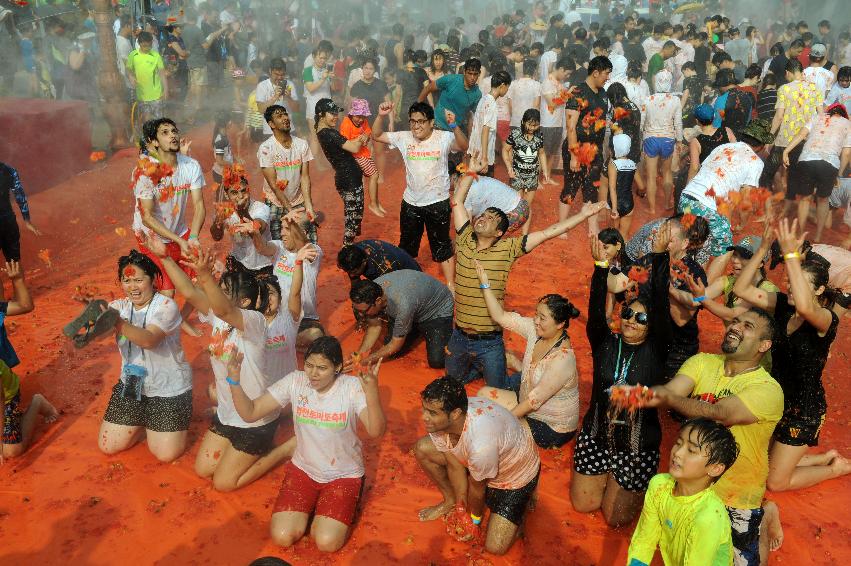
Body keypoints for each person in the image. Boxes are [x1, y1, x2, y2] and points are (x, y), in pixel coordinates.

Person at [153, 241, 311, 491]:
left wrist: (205, 275)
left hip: (255, 419)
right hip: (228, 414)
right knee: (202, 469)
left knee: (224, 483)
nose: (218, 293)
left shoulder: (255, 323)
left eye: (226, 290)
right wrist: (166, 259)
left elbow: (226, 310)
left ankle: (283, 450)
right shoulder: (219, 317)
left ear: (245, 301)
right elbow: (191, 293)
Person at [646, 307, 784, 566]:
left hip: (737, 496)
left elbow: (720, 413)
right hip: (693, 488)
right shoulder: (702, 362)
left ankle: (764, 513)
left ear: (763, 345)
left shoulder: (768, 389)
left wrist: (666, 397)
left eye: (747, 327)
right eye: (735, 321)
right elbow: (672, 391)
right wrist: (647, 395)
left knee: (741, 561)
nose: (735, 327)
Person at [447, 170, 606, 388]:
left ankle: (520, 371)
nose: (484, 217)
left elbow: (549, 232)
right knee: (453, 382)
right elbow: (457, 200)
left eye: (492, 218)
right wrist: (471, 171)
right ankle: (480, 367)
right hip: (459, 335)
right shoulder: (464, 237)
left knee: (500, 388)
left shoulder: (509, 248)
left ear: (499, 233)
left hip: (489, 341)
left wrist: (583, 215)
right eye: (484, 214)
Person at [227, 336, 384, 552]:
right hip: (304, 470)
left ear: (337, 367)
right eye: (309, 365)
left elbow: (376, 431)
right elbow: (250, 413)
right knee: (282, 536)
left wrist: (372, 393)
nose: (313, 374)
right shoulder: (296, 381)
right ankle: (315, 510)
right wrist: (234, 381)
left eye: (322, 368)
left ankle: (331, 511)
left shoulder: (351, 387)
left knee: (326, 543)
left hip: (343, 475)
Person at [732, 220, 851, 492]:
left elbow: (808, 309)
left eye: (798, 284)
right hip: (775, 402)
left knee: (775, 482)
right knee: (757, 464)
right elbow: (741, 290)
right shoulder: (783, 306)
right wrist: (762, 249)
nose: (789, 288)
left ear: (820, 291)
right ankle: (823, 457)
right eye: (790, 282)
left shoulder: (825, 319)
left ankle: (835, 467)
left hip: (804, 411)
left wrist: (792, 257)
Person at [570, 225, 673, 527]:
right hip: (596, 437)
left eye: (641, 318)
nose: (631, 320)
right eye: (628, 313)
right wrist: (601, 268)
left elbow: (663, 308)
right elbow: (595, 304)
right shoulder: (604, 342)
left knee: (615, 520)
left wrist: (660, 256)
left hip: (637, 447)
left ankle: (623, 485)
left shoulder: (657, 350)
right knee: (583, 505)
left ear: (651, 326)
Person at [413, 376, 540, 556]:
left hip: (515, 478)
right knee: (422, 448)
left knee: (495, 547)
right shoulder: (443, 422)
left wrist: (474, 520)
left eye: (432, 413)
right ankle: (449, 500)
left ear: (455, 413)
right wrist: (459, 505)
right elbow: (454, 463)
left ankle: (522, 507)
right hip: (482, 460)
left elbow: (477, 489)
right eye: (425, 409)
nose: (424, 417)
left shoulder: (481, 444)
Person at [98, 250, 192, 463]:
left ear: (153, 280)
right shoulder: (119, 307)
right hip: (133, 382)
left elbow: (149, 340)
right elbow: (100, 335)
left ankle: (165, 420)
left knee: (165, 455)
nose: (133, 287)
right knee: (108, 446)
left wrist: (116, 322)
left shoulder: (166, 306)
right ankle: (143, 421)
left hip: (168, 387)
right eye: (127, 280)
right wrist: (94, 317)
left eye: (139, 280)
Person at [474, 262, 580, 448]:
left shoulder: (563, 359)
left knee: (496, 432)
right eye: (536, 314)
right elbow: (500, 317)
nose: (536, 321)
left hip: (552, 427)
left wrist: (504, 421)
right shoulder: (535, 330)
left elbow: (533, 401)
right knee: (483, 394)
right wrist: (485, 284)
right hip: (528, 404)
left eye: (542, 318)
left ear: (560, 324)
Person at [372, 101, 468, 287]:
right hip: (411, 203)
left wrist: (454, 125)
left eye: (421, 121)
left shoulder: (444, 137)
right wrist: (381, 116)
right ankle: (405, 282)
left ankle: (450, 285)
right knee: (407, 246)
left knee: (442, 247)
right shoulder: (404, 137)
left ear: (431, 122)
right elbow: (376, 135)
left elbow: (464, 145)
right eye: (413, 121)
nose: (416, 126)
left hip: (438, 202)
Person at [627, 418, 738, 566]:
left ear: (715, 468)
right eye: (678, 443)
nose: (677, 453)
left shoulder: (708, 516)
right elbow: (644, 539)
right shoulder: (659, 485)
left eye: (691, 450)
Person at [679, 120, 774, 258]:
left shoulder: (722, 147)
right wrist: (741, 224)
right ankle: (699, 277)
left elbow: (700, 171)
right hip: (707, 209)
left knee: (688, 243)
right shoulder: (755, 161)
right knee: (726, 250)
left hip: (686, 200)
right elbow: (746, 198)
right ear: (761, 146)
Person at [133, 118, 206, 296]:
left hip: (179, 232)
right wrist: (180, 241)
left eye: (174, 131)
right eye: (165, 133)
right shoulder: (145, 171)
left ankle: (182, 323)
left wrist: (193, 237)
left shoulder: (191, 165)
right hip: (151, 237)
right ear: (154, 142)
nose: (172, 135)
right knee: (169, 292)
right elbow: (147, 217)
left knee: (204, 281)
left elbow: (199, 205)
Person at [347, 270, 453, 369]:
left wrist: (365, 361)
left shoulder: (402, 304)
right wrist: (358, 355)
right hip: (412, 304)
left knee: (437, 361)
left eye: (364, 311)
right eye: (358, 310)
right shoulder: (370, 291)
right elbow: (374, 326)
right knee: (391, 353)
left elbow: (394, 345)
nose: (361, 315)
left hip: (436, 311)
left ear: (378, 301)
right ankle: (411, 328)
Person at [250, 213, 325, 350]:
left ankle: (276, 341)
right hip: (277, 314)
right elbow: (261, 247)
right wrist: (254, 232)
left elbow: (304, 243)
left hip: (304, 318)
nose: (282, 233)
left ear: (302, 232)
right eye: (282, 228)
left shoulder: (313, 251)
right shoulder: (279, 247)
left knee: (316, 335)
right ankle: (283, 341)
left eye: (287, 229)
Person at [783, 103, 851, 242]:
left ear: (829, 111)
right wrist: (839, 173)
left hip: (807, 158)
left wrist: (786, 150)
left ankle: (801, 234)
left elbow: (802, 134)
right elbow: (846, 153)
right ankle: (818, 236)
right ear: (843, 114)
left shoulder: (817, 116)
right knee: (823, 200)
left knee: (804, 199)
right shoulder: (847, 123)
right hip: (829, 163)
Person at [560, 56, 612, 234]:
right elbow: (571, 126)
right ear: (595, 72)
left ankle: (592, 227)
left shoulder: (603, 93)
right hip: (578, 148)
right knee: (571, 187)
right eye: (606, 74)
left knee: (592, 188)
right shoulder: (578, 93)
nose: (608, 77)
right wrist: (574, 155)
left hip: (595, 150)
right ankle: (562, 227)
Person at [763, 59, 824, 194]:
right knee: (796, 177)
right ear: (802, 72)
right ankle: (793, 208)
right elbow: (821, 115)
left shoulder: (784, 89)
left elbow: (779, 117)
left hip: (784, 140)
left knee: (767, 173)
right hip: (806, 140)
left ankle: (767, 206)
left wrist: (770, 137)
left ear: (788, 73)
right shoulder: (815, 88)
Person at [258, 105, 315, 242]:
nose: (285, 118)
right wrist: (289, 210)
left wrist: (308, 206)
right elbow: (273, 184)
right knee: (279, 245)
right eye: (279, 116)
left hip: (298, 200)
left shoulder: (302, 144)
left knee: (309, 242)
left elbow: (305, 177)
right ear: (271, 124)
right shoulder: (266, 148)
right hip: (275, 203)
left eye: (285, 114)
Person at [314, 98, 366, 247]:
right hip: (348, 179)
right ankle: (346, 250)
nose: (336, 116)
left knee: (355, 217)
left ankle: (350, 246)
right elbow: (354, 148)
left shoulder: (324, 132)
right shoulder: (328, 133)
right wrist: (362, 138)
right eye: (332, 113)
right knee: (352, 219)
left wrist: (357, 140)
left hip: (349, 178)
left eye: (336, 113)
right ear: (321, 114)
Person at [209, 170, 272, 277]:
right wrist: (218, 220)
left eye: (244, 191)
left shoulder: (261, 208)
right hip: (238, 262)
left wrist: (241, 210)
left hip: (264, 265)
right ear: (226, 194)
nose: (241, 196)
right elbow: (216, 237)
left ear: (248, 188)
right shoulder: (226, 210)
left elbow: (259, 229)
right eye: (234, 193)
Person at [642, 70, 682, 214]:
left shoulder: (648, 99)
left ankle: (652, 209)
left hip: (650, 138)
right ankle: (666, 203)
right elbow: (678, 123)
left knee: (651, 176)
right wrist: (679, 140)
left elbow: (641, 122)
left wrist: (641, 137)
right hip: (668, 139)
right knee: (667, 173)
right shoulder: (675, 100)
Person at [503, 109, 548, 233]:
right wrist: (509, 167)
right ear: (523, 121)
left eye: (535, 125)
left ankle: (524, 235)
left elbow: (542, 153)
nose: (532, 128)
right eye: (529, 124)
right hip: (516, 175)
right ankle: (508, 229)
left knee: (527, 206)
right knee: (516, 204)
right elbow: (505, 150)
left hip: (532, 176)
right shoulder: (515, 134)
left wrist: (545, 171)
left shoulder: (539, 136)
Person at [339, 99, 384, 217]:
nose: (360, 119)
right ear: (352, 113)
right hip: (355, 156)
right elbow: (344, 144)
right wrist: (360, 138)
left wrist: (366, 136)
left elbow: (368, 131)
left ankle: (375, 203)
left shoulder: (363, 121)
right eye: (358, 116)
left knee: (374, 176)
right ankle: (373, 204)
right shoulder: (346, 123)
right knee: (374, 175)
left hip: (363, 153)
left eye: (363, 116)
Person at [418, 57, 482, 135]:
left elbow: (471, 115)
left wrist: (469, 137)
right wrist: (417, 108)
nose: (472, 77)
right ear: (464, 72)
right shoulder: (451, 79)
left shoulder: (477, 94)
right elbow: (428, 88)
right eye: (470, 73)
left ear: (479, 74)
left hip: (454, 132)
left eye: (475, 74)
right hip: (436, 126)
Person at [468, 71, 511, 177]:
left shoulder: (484, 99)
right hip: (482, 154)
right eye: (507, 87)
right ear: (502, 86)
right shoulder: (492, 105)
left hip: (475, 150)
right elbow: (485, 130)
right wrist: (484, 158)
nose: (507, 91)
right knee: (485, 187)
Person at [459, 174, 529, 235]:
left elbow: (467, 224)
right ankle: (524, 235)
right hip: (523, 205)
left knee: (484, 235)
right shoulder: (470, 178)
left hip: (514, 214)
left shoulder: (465, 191)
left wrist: (460, 240)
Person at [540, 56, 572, 184]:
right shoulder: (547, 82)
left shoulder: (560, 84)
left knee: (551, 153)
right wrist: (567, 93)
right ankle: (535, 180)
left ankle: (547, 178)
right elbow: (552, 103)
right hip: (547, 123)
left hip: (558, 122)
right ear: (561, 69)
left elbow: (562, 100)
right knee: (542, 153)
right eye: (567, 73)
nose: (568, 76)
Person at [0, 163, 40, 262]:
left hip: (7, 222)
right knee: (15, 265)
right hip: (9, 224)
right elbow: (19, 195)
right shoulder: (9, 171)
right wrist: (27, 220)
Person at [126, 31, 168, 125]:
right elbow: (128, 68)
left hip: (156, 95)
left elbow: (162, 74)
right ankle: (149, 137)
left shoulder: (156, 56)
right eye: (143, 46)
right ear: (139, 43)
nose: (146, 48)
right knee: (146, 119)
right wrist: (131, 76)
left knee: (158, 121)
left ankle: (157, 138)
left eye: (148, 45)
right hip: (142, 95)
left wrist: (166, 89)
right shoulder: (133, 55)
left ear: (151, 43)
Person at [255, 58, 300, 138]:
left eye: (282, 75)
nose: (279, 77)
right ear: (270, 71)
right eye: (276, 74)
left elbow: (296, 109)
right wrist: (275, 97)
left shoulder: (290, 85)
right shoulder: (262, 86)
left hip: (288, 130)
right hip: (270, 131)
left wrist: (289, 98)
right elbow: (261, 109)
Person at [336, 240, 420, 282]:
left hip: (411, 278)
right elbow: (354, 276)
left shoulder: (384, 271)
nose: (351, 274)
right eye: (348, 271)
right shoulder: (351, 254)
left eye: (354, 271)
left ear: (364, 262)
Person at [607, 133, 638, 236]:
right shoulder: (633, 164)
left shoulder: (614, 164)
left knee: (613, 236)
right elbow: (641, 185)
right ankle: (624, 252)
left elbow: (612, 188)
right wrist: (641, 192)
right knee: (624, 235)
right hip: (629, 203)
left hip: (615, 203)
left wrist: (615, 208)